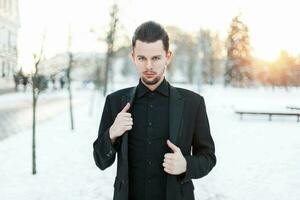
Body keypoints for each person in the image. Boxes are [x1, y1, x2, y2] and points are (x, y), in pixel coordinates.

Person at [93, 21, 216, 200]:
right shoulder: (115, 102)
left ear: (168, 56)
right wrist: (112, 133)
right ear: (133, 57)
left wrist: (185, 165)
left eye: (156, 58)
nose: (149, 66)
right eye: (142, 58)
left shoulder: (193, 103)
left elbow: (208, 157)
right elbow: (100, 160)